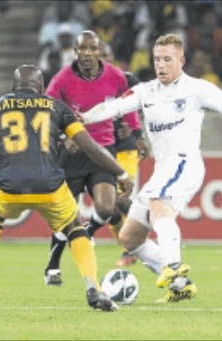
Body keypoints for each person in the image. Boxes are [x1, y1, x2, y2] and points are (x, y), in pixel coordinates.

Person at [77, 34, 222, 303]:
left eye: (167, 59)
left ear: (181, 61)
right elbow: (113, 107)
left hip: (185, 163)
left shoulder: (197, 89)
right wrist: (85, 117)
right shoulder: (146, 91)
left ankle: (174, 267)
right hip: (163, 169)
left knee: (159, 206)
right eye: (157, 59)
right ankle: (181, 285)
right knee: (129, 238)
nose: (161, 65)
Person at [0, 64, 134, 312]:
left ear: (13, 88)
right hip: (49, 186)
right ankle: (93, 290)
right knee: (74, 226)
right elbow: (91, 148)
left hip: (9, 187)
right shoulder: (56, 107)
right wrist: (121, 173)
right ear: (42, 88)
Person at [43, 31, 146, 285]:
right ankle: (53, 265)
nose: (87, 54)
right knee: (65, 213)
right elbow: (48, 113)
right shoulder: (62, 79)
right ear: (75, 52)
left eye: (92, 49)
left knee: (106, 207)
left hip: (103, 151)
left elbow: (128, 105)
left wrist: (137, 135)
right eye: (82, 49)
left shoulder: (116, 76)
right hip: (72, 153)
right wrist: (64, 137)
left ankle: (86, 231)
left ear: (99, 51)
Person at [100, 41, 150, 267]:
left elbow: (143, 104)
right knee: (108, 207)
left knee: (120, 199)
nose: (102, 59)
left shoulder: (128, 79)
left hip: (125, 148)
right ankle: (129, 248)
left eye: (105, 55)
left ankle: (139, 241)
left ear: (112, 57)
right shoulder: (87, 85)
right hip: (100, 151)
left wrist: (134, 129)